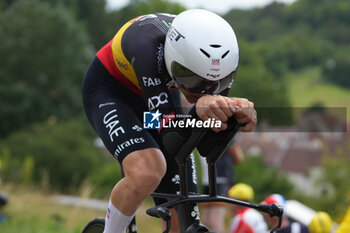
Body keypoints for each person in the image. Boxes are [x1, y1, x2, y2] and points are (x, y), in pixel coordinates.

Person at [82, 9, 257, 233]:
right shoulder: (145, 45)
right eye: (192, 80)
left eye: (216, 84)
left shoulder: (220, 59)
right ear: (175, 59)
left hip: (159, 97)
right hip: (113, 93)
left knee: (184, 205)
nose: (202, 91)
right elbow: (168, 133)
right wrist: (197, 113)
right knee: (148, 170)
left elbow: (203, 143)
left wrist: (232, 118)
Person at [200, 142, 245, 233]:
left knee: (215, 221)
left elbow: (239, 157)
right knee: (205, 222)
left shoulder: (224, 132)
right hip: (206, 180)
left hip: (221, 180)